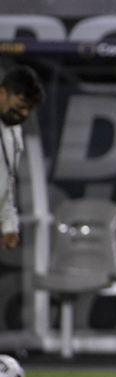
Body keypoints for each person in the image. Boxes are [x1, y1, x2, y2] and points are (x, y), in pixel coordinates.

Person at [0, 66, 44, 250]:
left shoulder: (13, 132)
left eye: (29, 109)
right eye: (20, 106)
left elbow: (6, 182)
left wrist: (9, 224)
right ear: (2, 93)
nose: (24, 114)